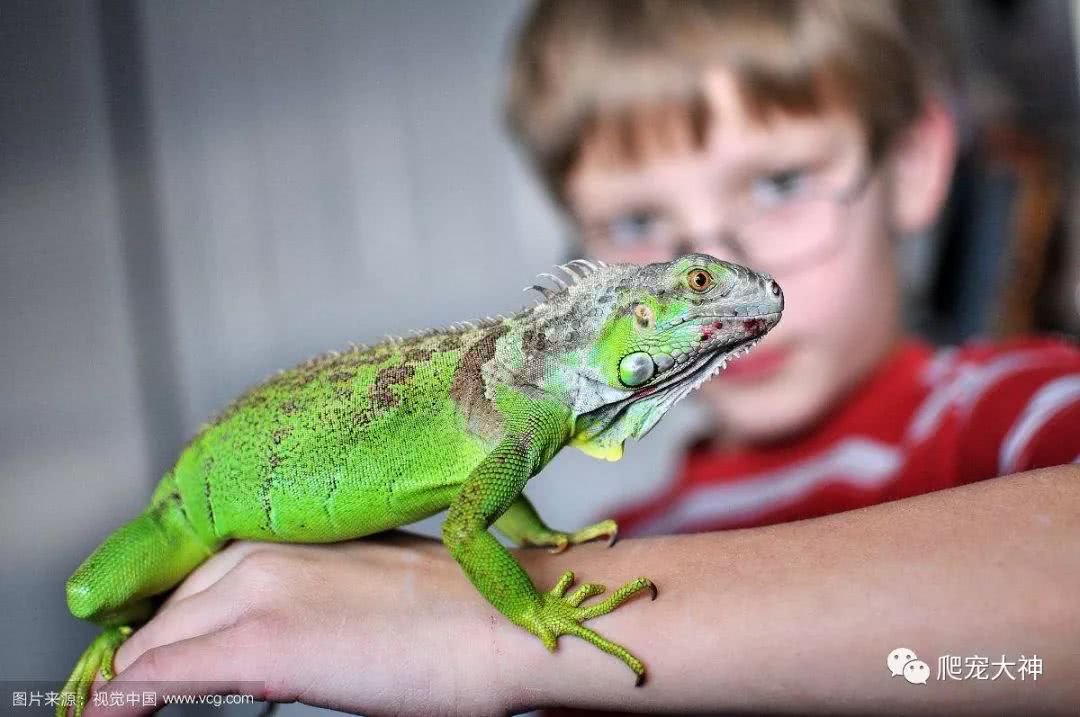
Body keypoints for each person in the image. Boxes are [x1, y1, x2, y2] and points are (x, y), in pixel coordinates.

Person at [84, 1, 1080, 715]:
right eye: (641, 224)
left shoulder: (1004, 406)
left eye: (780, 182)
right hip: (188, 520)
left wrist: (475, 626)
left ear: (914, 166)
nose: (728, 253)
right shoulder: (625, 537)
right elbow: (482, 516)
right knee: (94, 597)